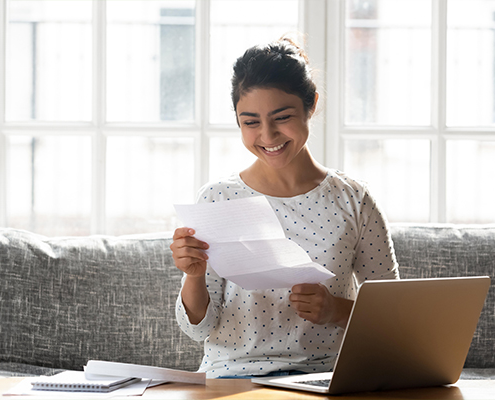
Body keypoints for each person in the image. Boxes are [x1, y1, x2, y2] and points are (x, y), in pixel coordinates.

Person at [170, 37, 399, 378]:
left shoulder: (354, 200)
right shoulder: (217, 198)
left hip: (324, 377)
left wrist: (336, 310)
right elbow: (199, 330)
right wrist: (194, 274)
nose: (268, 135)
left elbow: (395, 321)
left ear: (312, 105)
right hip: (233, 377)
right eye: (250, 122)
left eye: (282, 117)